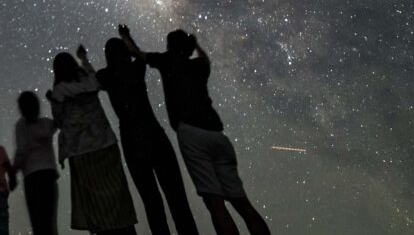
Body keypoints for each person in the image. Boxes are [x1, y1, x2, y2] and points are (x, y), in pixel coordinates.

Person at [143, 30, 271, 235]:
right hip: (218, 136)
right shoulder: (199, 66)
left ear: (170, 46)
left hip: (192, 134)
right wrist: (196, 46)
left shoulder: (166, 60)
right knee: (242, 203)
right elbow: (206, 59)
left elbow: (139, 54)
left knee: (215, 204)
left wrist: (126, 38)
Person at [97, 26, 199, 235]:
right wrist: (127, 37)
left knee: (151, 202)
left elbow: (92, 78)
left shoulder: (106, 77)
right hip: (154, 134)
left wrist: (83, 61)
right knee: (177, 198)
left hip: (131, 141)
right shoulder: (136, 69)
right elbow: (137, 53)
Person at [48, 48, 137, 235]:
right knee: (117, 196)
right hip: (106, 145)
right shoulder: (90, 81)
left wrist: (52, 101)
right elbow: (93, 76)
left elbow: (59, 120)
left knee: (95, 206)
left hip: (81, 153)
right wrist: (84, 59)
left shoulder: (59, 91)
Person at [12, 91, 59, 235]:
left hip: (32, 177)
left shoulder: (22, 125)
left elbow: (21, 152)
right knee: (50, 223)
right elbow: (60, 119)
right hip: (48, 175)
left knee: (38, 223)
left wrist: (13, 172)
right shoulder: (46, 123)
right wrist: (54, 101)